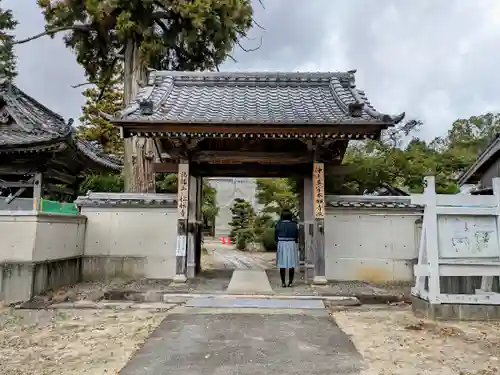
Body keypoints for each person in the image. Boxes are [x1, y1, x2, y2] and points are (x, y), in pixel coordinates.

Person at [275, 208, 299, 287]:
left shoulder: (278, 224)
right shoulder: (294, 224)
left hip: (281, 243)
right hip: (291, 243)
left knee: (282, 264)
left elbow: (275, 235)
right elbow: (296, 235)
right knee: (291, 264)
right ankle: (290, 282)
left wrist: (277, 242)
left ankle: (283, 282)